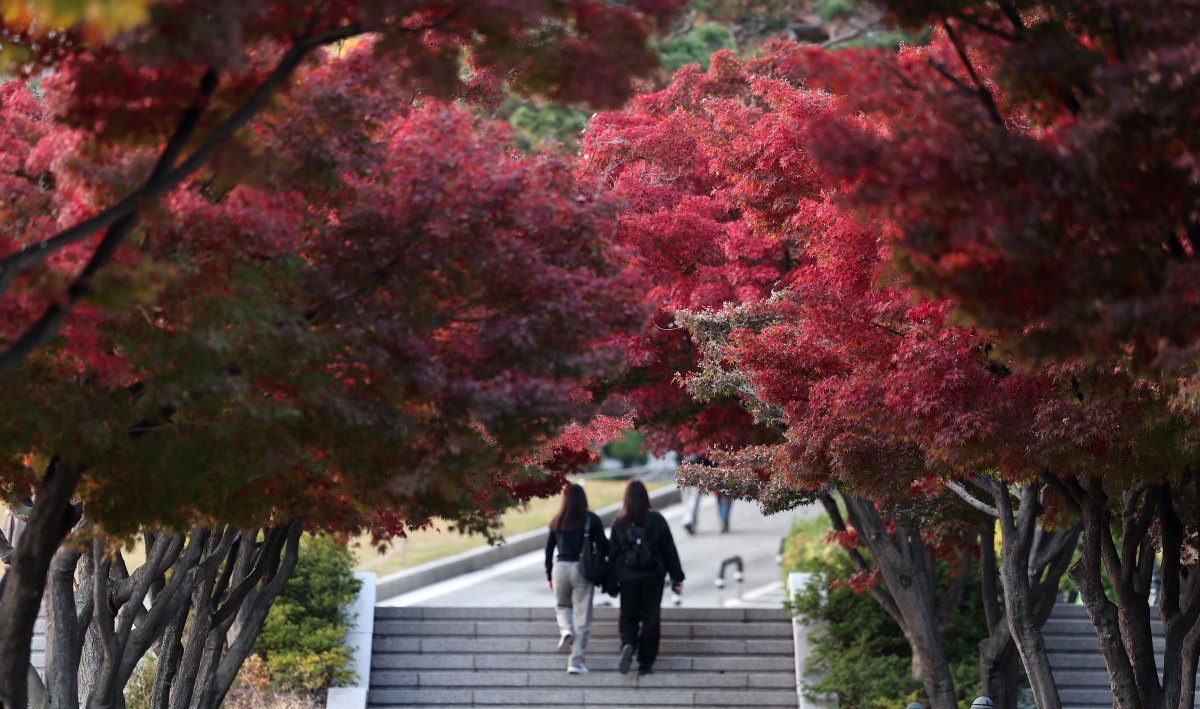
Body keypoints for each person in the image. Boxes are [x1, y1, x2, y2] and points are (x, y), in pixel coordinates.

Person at [608, 479, 684, 676]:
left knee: (628, 616)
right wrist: (677, 577)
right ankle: (645, 663)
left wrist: (612, 583)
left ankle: (628, 645)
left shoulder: (620, 521)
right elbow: (669, 549)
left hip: (628, 577)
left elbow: (613, 554)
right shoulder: (657, 519)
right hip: (653, 576)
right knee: (651, 619)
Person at [544, 483, 607, 675]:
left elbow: (548, 552)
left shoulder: (557, 520)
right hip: (582, 569)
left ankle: (565, 630)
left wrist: (549, 575)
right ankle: (575, 661)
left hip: (560, 567)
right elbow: (604, 546)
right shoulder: (592, 520)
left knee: (562, 606)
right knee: (583, 618)